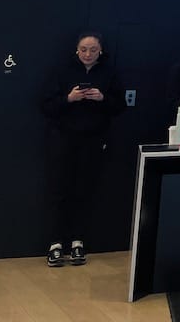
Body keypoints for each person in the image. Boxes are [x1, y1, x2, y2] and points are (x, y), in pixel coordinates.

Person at [41, 31, 125, 267]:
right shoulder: (62, 71)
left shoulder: (109, 73)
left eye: (93, 50)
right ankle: (55, 244)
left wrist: (102, 98)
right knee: (59, 190)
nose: (88, 54)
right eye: (83, 50)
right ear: (76, 51)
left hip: (93, 139)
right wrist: (69, 99)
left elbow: (120, 106)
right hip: (63, 138)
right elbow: (45, 105)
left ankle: (78, 242)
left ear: (101, 52)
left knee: (84, 191)